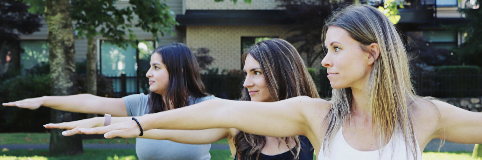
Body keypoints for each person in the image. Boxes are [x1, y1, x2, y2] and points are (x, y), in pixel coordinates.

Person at [49, 5, 482, 160]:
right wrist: (142, 124)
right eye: (325, 49)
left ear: (373, 52)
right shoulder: (316, 115)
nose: (325, 61)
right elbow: (220, 110)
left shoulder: (424, 116)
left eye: (337, 49)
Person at [43, 39, 317, 160]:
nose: (246, 82)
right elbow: (177, 129)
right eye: (246, 73)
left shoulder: (312, 121)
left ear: (281, 72)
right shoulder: (237, 124)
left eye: (256, 73)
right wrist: (133, 125)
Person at [2, 43, 217, 160]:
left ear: (179, 70)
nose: (148, 73)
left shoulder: (207, 105)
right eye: (150, 66)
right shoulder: (141, 104)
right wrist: (43, 100)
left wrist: (102, 122)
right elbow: (89, 102)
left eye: (156, 67)